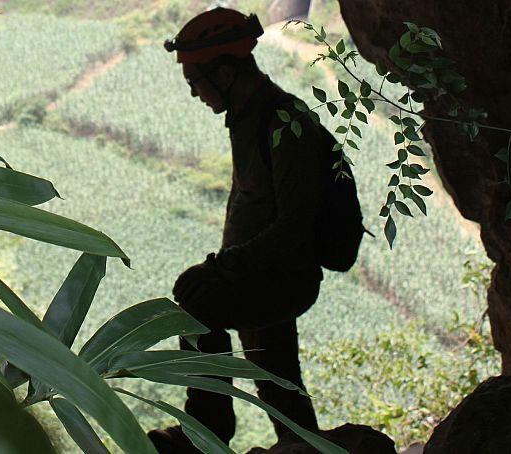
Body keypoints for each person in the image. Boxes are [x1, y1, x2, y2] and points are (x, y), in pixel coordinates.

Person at [149, 7, 327, 452]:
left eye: (196, 84)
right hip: (260, 272)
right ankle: (302, 443)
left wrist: (223, 266)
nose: (195, 95)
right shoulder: (250, 116)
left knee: (195, 308)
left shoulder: (286, 123)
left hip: (283, 275)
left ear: (225, 73)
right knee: (277, 377)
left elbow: (293, 225)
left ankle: (204, 435)